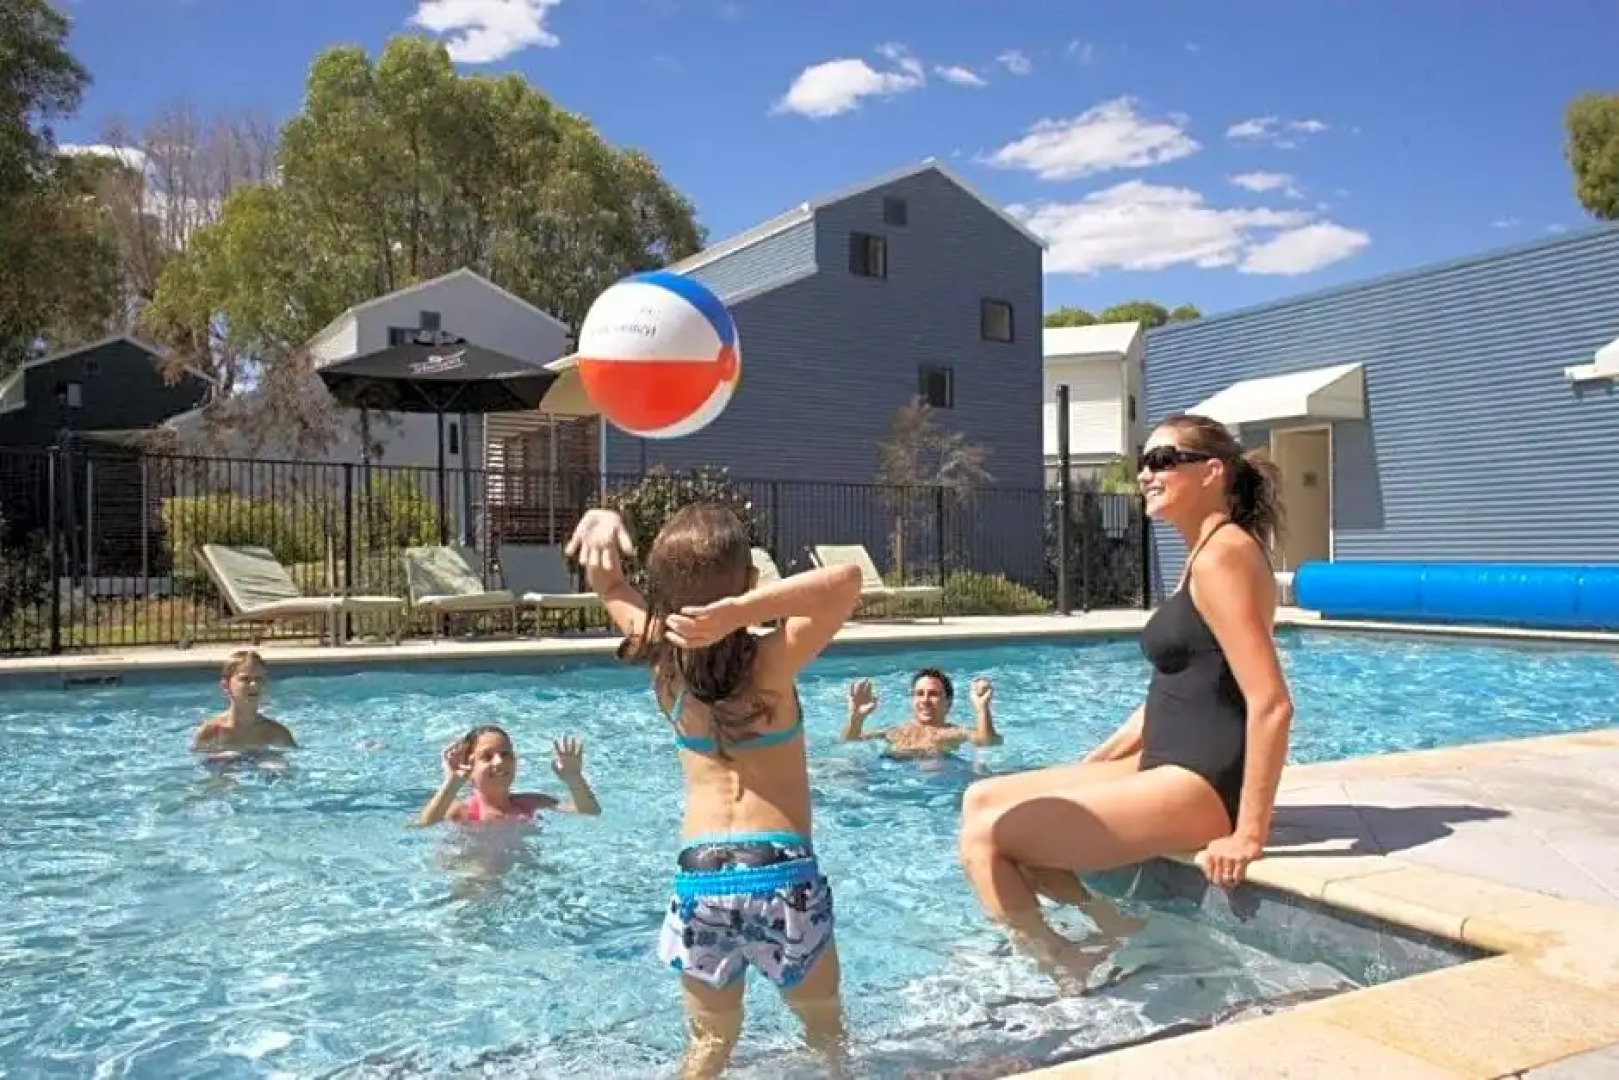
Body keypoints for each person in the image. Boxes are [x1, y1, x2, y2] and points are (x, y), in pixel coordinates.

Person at [956, 413, 1294, 991]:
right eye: (1144, 460)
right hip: (1166, 762)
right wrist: (1098, 761)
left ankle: (1070, 967)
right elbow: (1185, 683)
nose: (1144, 474)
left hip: (1203, 782)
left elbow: (1271, 702)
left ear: (1212, 472)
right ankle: (1114, 924)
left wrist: (1248, 834)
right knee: (980, 796)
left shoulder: (1222, 556)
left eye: (1162, 461)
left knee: (989, 834)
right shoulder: (1206, 552)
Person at [567, 502, 862, 1080]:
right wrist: (742, 610)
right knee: (827, 1037)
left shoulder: (664, 662)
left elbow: (608, 582)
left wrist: (602, 517)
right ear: (749, 581)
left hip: (700, 876)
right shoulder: (773, 662)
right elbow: (845, 581)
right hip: (781, 871)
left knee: (709, 1045)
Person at [416, 725, 601, 827]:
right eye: (487, 757)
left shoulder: (531, 803)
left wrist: (574, 779)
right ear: (469, 766)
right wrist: (452, 783)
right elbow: (422, 826)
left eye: (505, 754)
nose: (499, 761)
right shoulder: (459, 811)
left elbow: (589, 812)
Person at [840, 668, 1000, 757]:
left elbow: (988, 742)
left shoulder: (955, 733)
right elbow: (850, 740)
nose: (925, 700)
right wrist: (856, 717)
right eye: (919, 693)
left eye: (933, 694)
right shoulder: (896, 732)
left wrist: (981, 709)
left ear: (948, 703)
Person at [190, 650, 296, 753]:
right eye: (245, 679)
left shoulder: (277, 733)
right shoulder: (211, 733)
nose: (254, 684)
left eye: (259, 679)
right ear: (225, 685)